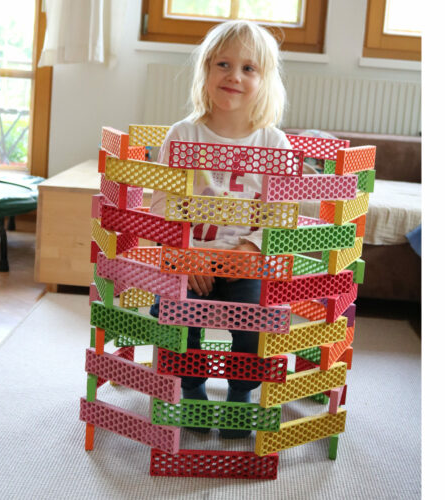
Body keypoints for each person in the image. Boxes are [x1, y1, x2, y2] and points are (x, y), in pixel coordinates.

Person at [150, 20, 291, 438]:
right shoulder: (183, 134)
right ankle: (191, 388)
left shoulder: (273, 143)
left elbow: (279, 212)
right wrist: (187, 253)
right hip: (189, 258)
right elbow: (163, 204)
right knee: (172, 312)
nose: (234, 76)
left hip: (244, 262)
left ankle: (240, 393)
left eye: (250, 68)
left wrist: (248, 250)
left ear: (265, 81)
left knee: (257, 318)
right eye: (224, 65)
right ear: (207, 71)